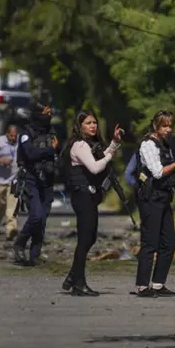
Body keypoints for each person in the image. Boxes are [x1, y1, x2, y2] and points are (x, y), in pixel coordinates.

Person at [60, 111, 123, 296]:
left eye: (95, 122)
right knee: (85, 239)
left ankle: (73, 275)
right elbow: (95, 167)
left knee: (91, 237)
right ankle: (78, 282)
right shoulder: (79, 145)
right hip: (82, 196)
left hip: (89, 196)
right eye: (88, 123)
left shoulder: (89, 144)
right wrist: (110, 155)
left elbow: (100, 156)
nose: (93, 126)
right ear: (80, 126)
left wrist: (113, 142)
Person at [133, 110, 175, 297]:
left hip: (163, 197)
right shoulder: (148, 145)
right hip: (151, 198)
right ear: (156, 126)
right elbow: (158, 172)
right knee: (150, 243)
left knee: (168, 242)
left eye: (170, 126)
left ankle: (158, 283)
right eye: (164, 126)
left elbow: (172, 174)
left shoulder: (165, 145)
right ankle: (143, 286)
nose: (168, 129)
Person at [12, 101, 59, 267]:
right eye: (45, 112)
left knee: (43, 219)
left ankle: (35, 254)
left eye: (49, 112)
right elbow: (30, 153)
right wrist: (50, 150)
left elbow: (57, 153)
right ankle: (20, 243)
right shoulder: (26, 132)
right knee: (36, 215)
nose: (48, 115)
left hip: (47, 180)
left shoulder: (51, 132)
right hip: (30, 179)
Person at [0, 124, 20, 240]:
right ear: (7, 134)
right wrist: (0, 160)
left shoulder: (20, 142)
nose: (13, 138)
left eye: (15, 136)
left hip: (14, 180)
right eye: (11, 136)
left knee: (12, 207)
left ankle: (11, 230)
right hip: (0, 181)